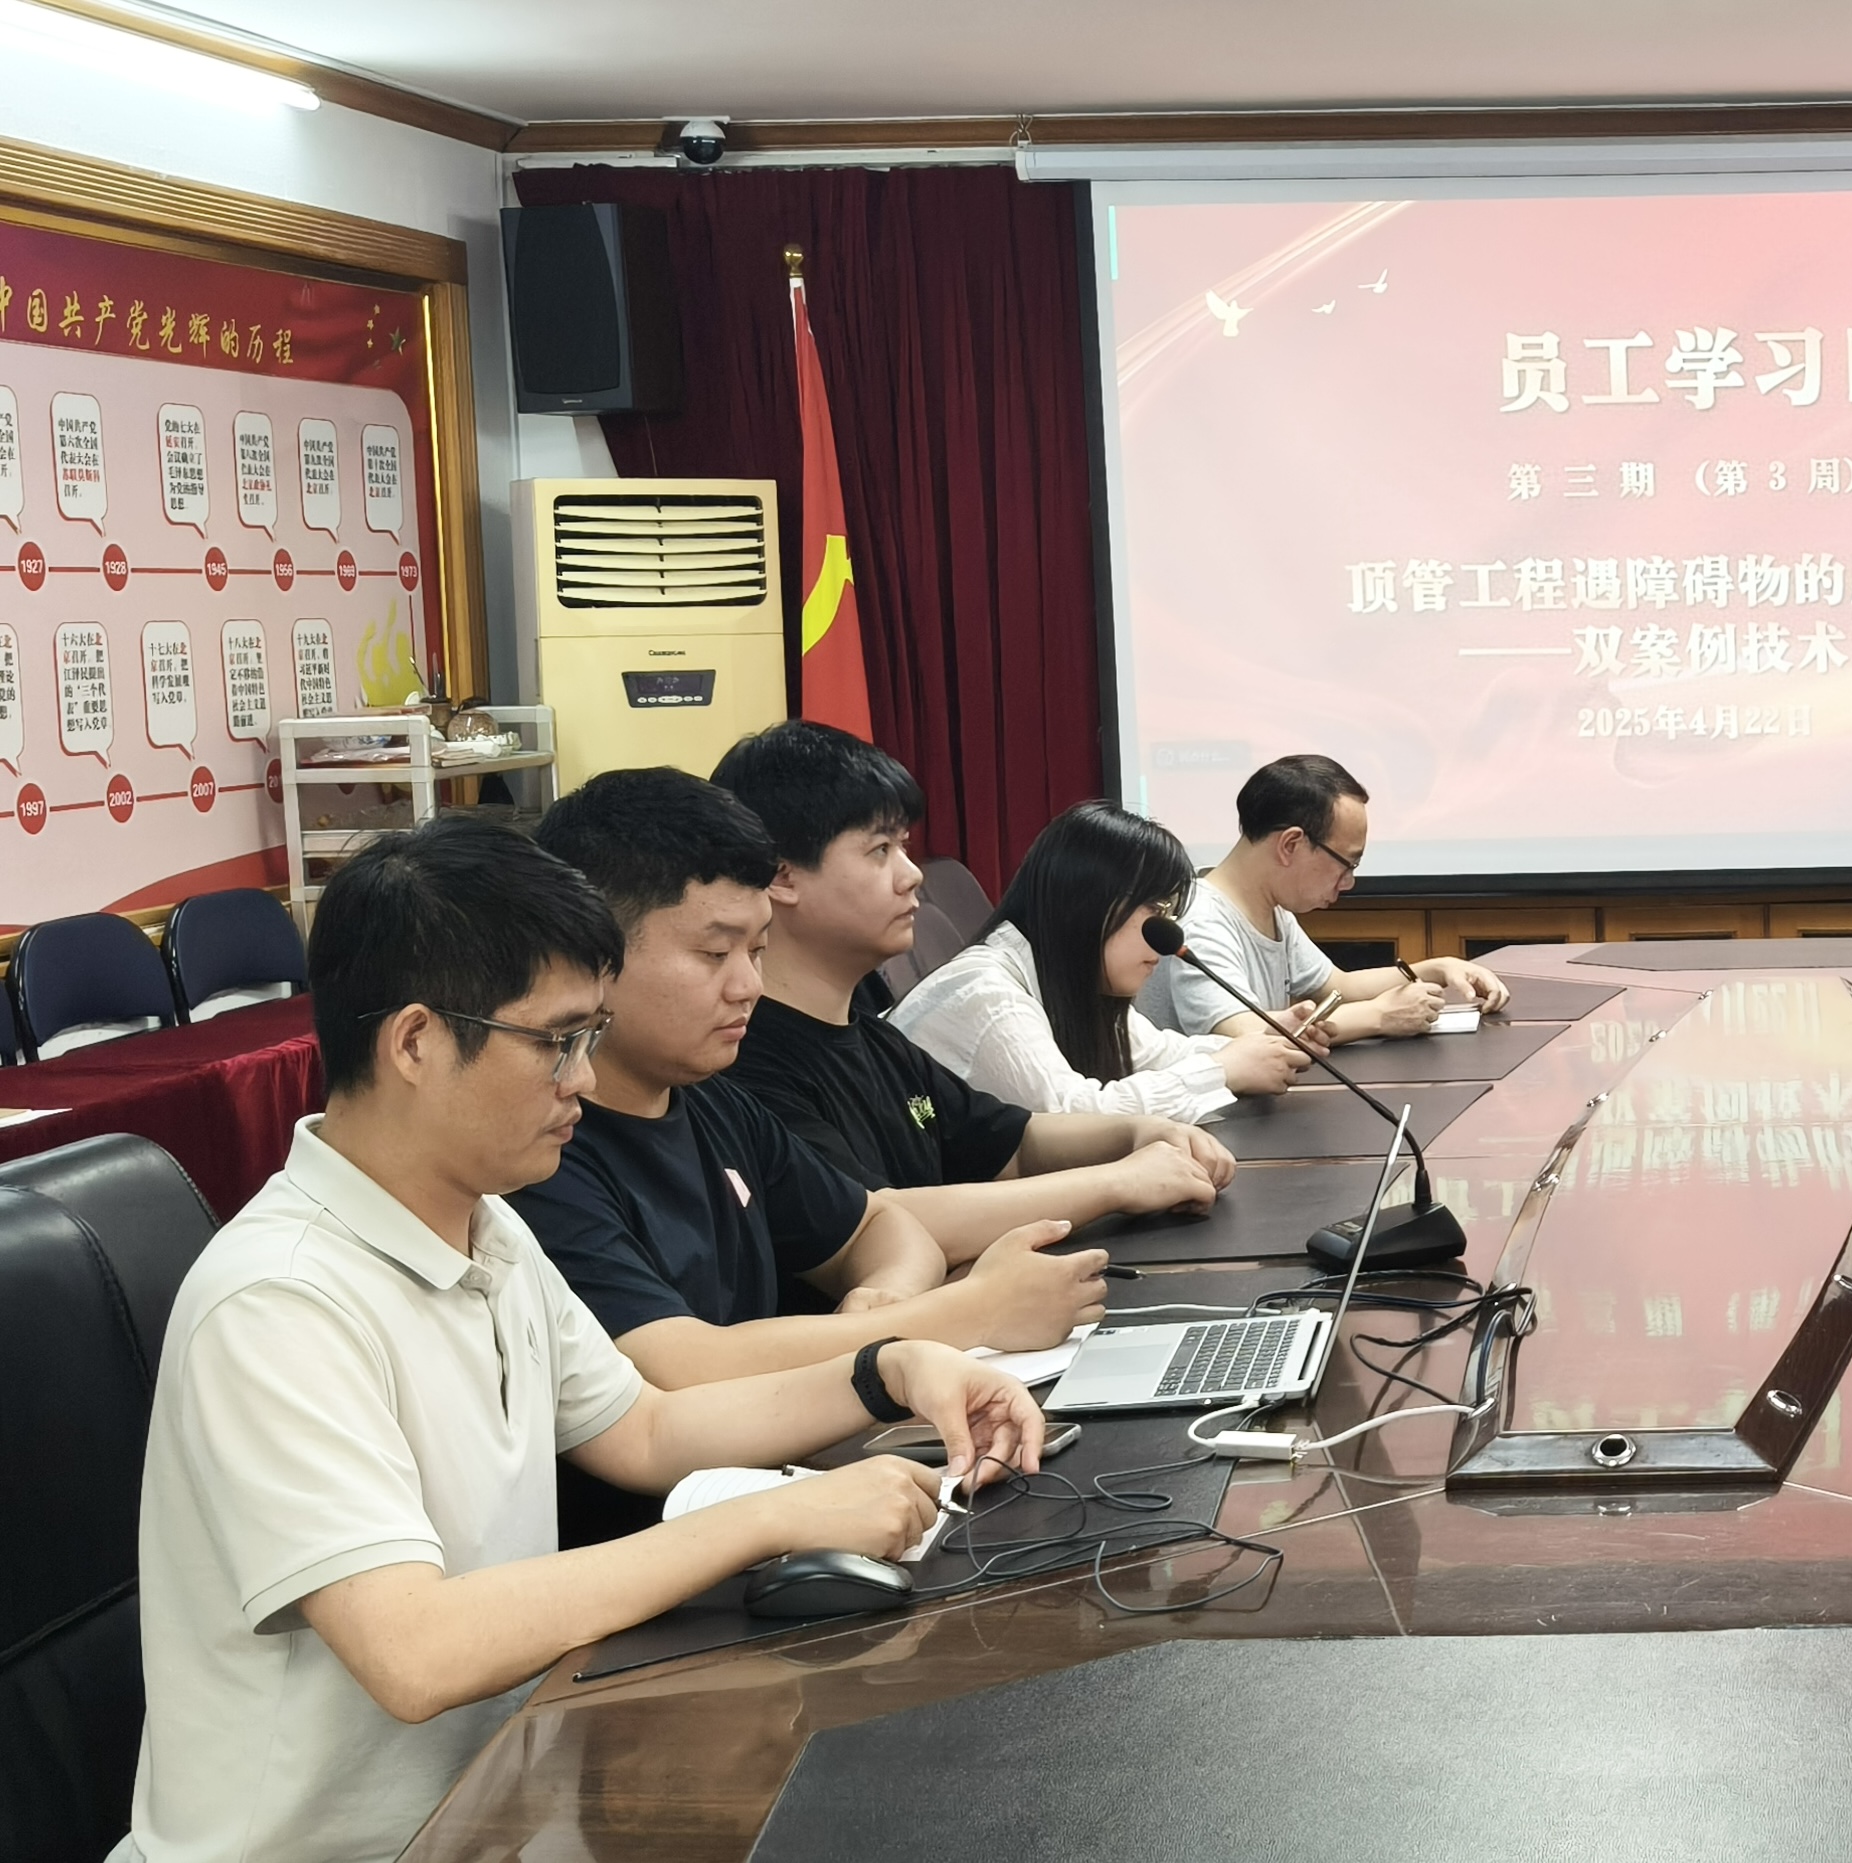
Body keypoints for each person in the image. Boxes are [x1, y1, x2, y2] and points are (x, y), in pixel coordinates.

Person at [115, 818, 1045, 1863]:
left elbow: (644, 1428)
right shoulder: (277, 1302)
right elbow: (414, 1650)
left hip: (502, 1803)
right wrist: (770, 1516)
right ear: (415, 1042)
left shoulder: (486, 1223)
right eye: (556, 1041)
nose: (584, 1080)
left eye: (590, 1035)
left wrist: (885, 1371)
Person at [512, 769, 1107, 1396]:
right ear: (593, 955)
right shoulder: (543, 1149)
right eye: (715, 954)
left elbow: (882, 1227)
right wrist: (966, 1313)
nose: (748, 986)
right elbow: (678, 1367)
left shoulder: (715, 1101)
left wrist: (887, 1301)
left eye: (756, 951)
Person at [709, 722, 1232, 1236]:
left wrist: (1141, 1131)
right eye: (880, 850)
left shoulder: (875, 1039)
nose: (912, 874)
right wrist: (1115, 1183)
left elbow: (1015, 1143)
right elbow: (873, 1223)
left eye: (904, 847)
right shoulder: (744, 1059)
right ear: (782, 876)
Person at [890, 799, 1312, 1120]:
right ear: (1090, 905)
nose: (1165, 937)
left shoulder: (1070, 978)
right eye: (1155, 911)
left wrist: (1259, 1047)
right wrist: (1222, 1070)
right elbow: (1074, 1116)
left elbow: (1157, 1052)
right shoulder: (988, 995)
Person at [1138, 753, 1508, 1045]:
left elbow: (1339, 987)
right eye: (1346, 863)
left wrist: (1438, 968)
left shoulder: (1270, 909)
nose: (1348, 882)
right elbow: (1243, 1034)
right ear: (1291, 844)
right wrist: (1378, 1016)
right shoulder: (1200, 920)